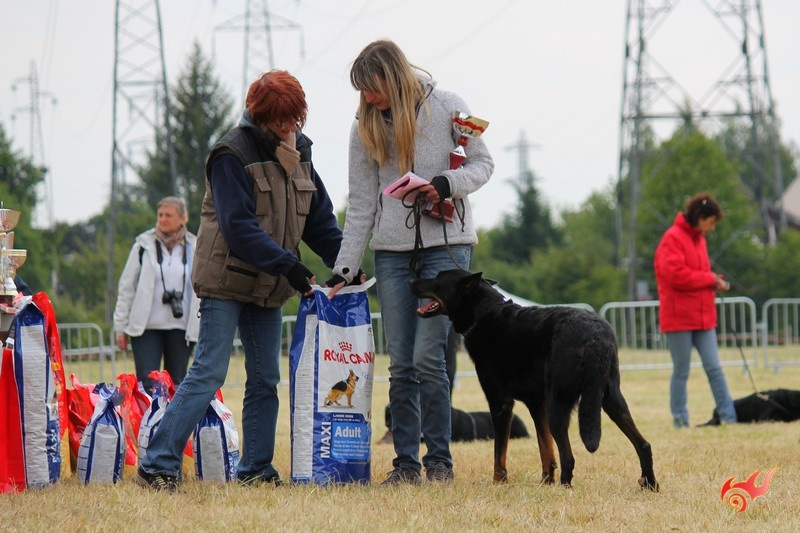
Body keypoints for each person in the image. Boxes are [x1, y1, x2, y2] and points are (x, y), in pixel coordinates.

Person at [135, 69, 344, 492]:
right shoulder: (230, 152)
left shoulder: (301, 150)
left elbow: (318, 219)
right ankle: (157, 463)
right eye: (281, 120)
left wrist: (346, 262)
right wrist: (290, 265)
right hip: (226, 280)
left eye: (295, 119)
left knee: (266, 378)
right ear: (259, 113)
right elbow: (238, 226)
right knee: (209, 371)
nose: (289, 128)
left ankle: (257, 470)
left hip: (269, 284)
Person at [327, 40, 494, 485]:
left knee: (427, 358)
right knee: (400, 362)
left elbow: (482, 165)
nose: (367, 98)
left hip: (448, 249)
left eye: (372, 88)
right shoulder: (363, 126)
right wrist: (344, 268)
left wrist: (444, 183)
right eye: (361, 91)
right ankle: (406, 465)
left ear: (392, 77)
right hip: (393, 256)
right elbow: (361, 204)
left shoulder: (450, 108)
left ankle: (440, 462)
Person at [654, 192, 738, 428]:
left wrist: (714, 280)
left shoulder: (699, 238)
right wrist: (709, 278)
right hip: (679, 317)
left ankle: (729, 417)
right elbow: (676, 276)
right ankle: (680, 420)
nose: (712, 228)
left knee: (714, 367)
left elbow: (698, 274)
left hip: (704, 316)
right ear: (700, 217)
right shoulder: (672, 238)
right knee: (681, 371)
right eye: (710, 222)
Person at [113, 196, 200, 394]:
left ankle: (173, 426)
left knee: (177, 385)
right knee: (148, 385)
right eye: (160, 215)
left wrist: (200, 326)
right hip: (146, 327)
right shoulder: (143, 246)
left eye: (169, 215)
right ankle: (147, 425)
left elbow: (200, 290)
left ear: (183, 218)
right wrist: (120, 327)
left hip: (181, 327)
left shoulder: (194, 247)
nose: (163, 219)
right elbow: (126, 286)